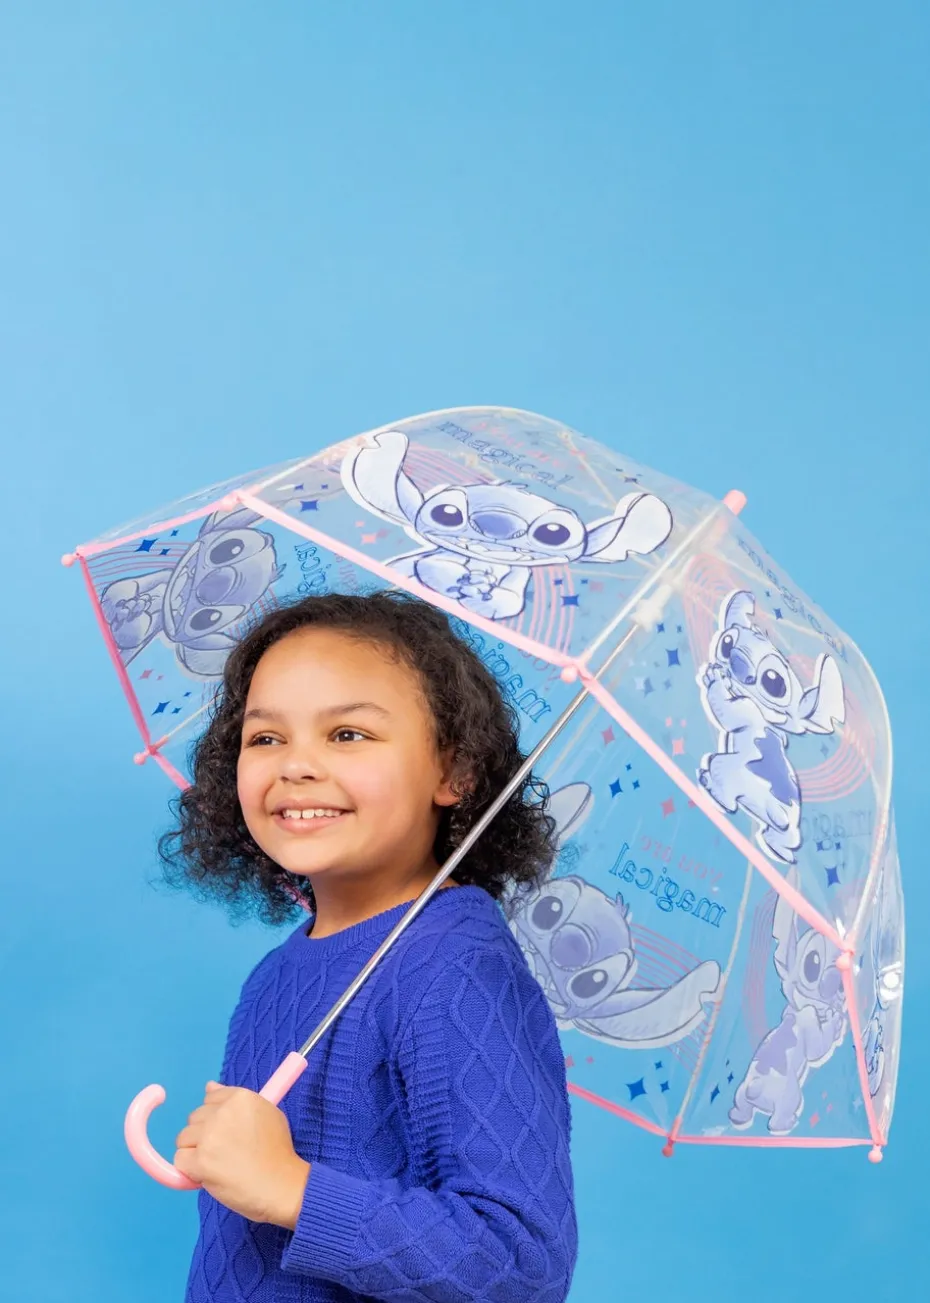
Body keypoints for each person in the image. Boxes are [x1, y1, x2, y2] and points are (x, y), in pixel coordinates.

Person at [159, 589, 578, 1302]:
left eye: (348, 734)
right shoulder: (275, 974)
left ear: (455, 772)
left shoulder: (458, 966)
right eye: (266, 738)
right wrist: (233, 1157)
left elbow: (521, 1262)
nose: (295, 765)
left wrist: (292, 1188)